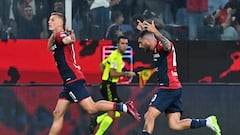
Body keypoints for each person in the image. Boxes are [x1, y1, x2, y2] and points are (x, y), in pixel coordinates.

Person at [47, 12, 140, 135]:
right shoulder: (56, 36)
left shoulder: (60, 35)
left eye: (52, 19)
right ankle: (121, 108)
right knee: (57, 113)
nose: (49, 21)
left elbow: (66, 39)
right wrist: (57, 35)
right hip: (69, 81)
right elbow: (49, 47)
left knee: (91, 108)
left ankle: (124, 107)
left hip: (73, 79)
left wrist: (69, 39)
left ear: (60, 23)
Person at [136, 20, 221, 135]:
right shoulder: (155, 47)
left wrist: (155, 31)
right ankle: (207, 121)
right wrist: (143, 31)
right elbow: (150, 38)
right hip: (174, 88)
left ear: (148, 40)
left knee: (149, 115)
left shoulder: (162, 45)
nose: (140, 46)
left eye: (141, 43)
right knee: (174, 125)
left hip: (168, 88)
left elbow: (167, 45)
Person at [88, 36, 136, 135]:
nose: (124, 46)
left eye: (126, 44)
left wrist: (104, 76)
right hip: (108, 86)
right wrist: (126, 74)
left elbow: (101, 65)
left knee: (121, 111)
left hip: (109, 85)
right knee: (112, 112)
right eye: (122, 43)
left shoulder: (116, 55)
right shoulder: (115, 56)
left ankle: (97, 119)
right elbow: (113, 73)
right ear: (117, 44)